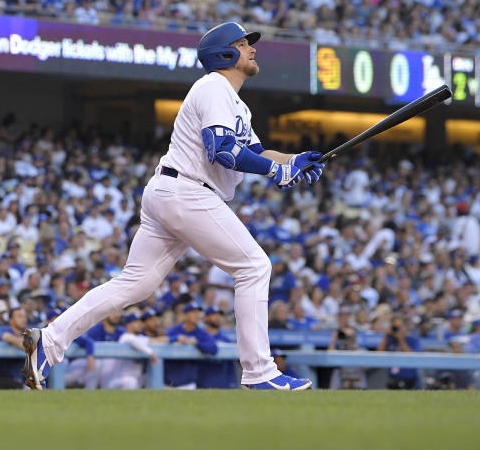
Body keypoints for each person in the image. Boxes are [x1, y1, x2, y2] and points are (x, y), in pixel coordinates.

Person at [23, 22, 323, 391]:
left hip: (171, 190)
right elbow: (223, 151)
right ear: (225, 53)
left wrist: (293, 160)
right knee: (254, 266)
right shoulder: (214, 86)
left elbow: (255, 153)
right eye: (244, 44)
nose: (252, 49)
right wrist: (278, 170)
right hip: (188, 191)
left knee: (134, 285)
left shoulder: (233, 101)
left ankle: (49, 341)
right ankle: (260, 372)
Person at [164, 302, 218, 389]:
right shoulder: (174, 331)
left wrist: (197, 343)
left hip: (188, 382)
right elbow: (162, 343)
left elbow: (214, 348)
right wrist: (176, 339)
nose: (197, 315)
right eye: (193, 312)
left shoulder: (201, 333)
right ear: (185, 315)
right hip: (169, 380)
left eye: (198, 313)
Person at [198, 307, 238, 389]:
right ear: (205, 318)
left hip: (222, 383)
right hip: (202, 383)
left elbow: (232, 365)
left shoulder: (225, 340)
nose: (217, 317)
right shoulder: (200, 337)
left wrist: (232, 383)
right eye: (213, 315)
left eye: (219, 315)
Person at [377, 315, 420, 389]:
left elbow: (412, 357)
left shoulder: (413, 340)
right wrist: (385, 337)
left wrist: (401, 340)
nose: (397, 330)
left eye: (399, 327)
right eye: (395, 327)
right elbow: (379, 354)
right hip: (393, 380)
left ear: (405, 327)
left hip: (409, 381)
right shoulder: (390, 340)